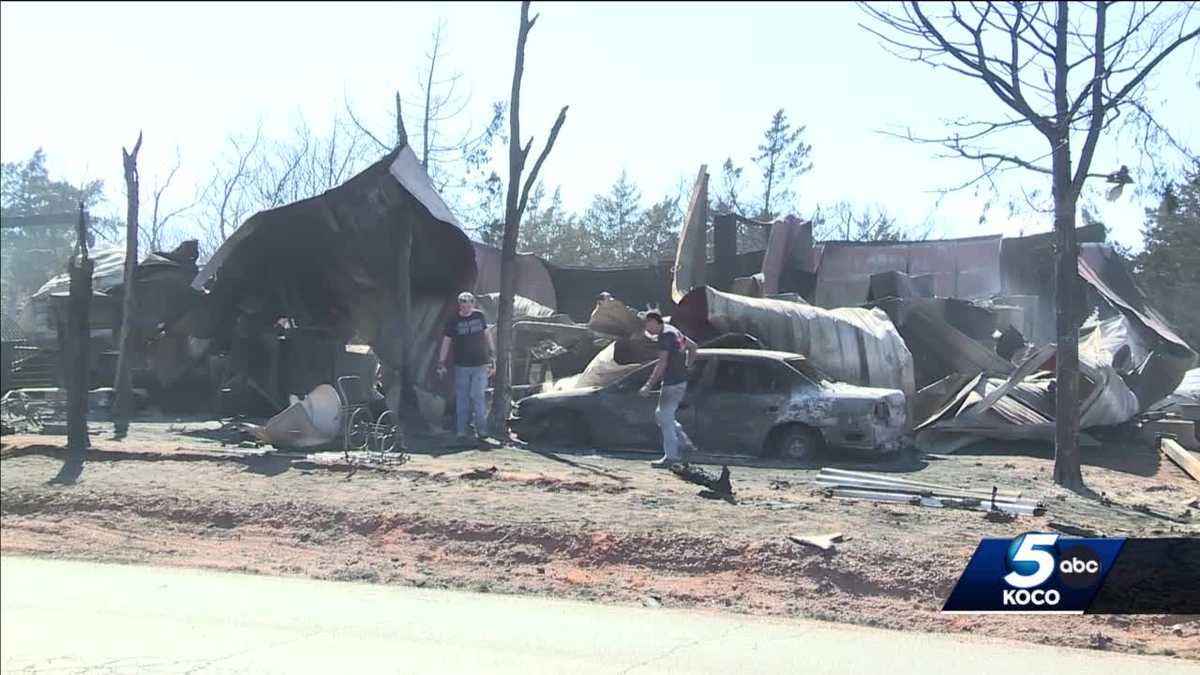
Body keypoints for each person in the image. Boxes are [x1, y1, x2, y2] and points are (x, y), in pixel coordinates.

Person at [639, 312, 699, 468]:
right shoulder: (673, 330)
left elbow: (662, 364)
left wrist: (648, 385)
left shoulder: (665, 336)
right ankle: (685, 444)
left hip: (672, 383)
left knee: (665, 418)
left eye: (646, 324)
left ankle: (671, 457)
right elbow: (693, 347)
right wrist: (688, 366)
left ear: (653, 322)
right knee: (662, 415)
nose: (646, 328)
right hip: (680, 381)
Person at [437, 292, 495, 443]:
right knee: (462, 399)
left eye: (469, 305)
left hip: (480, 364)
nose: (467, 308)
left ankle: (481, 431)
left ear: (473, 304)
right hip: (461, 365)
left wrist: (492, 353)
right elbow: (446, 342)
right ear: (460, 305)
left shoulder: (479, 316)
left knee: (478, 396)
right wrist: (441, 362)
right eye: (464, 305)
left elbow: (487, 335)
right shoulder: (453, 320)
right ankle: (462, 431)